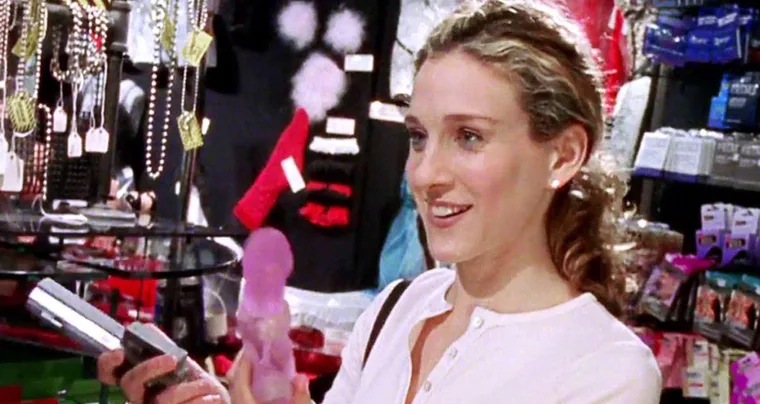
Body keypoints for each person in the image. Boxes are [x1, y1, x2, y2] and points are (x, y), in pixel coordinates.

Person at [97, 1, 662, 403]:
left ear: (562, 155)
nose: (425, 172)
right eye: (419, 136)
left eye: (469, 136)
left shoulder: (604, 372)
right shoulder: (398, 308)